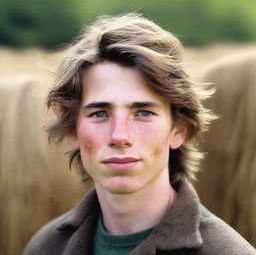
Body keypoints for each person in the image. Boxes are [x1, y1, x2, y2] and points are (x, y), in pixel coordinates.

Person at [23, 13, 256, 255]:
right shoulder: (46, 245)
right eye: (100, 114)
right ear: (73, 133)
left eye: (143, 112)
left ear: (178, 131)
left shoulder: (226, 251)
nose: (120, 136)